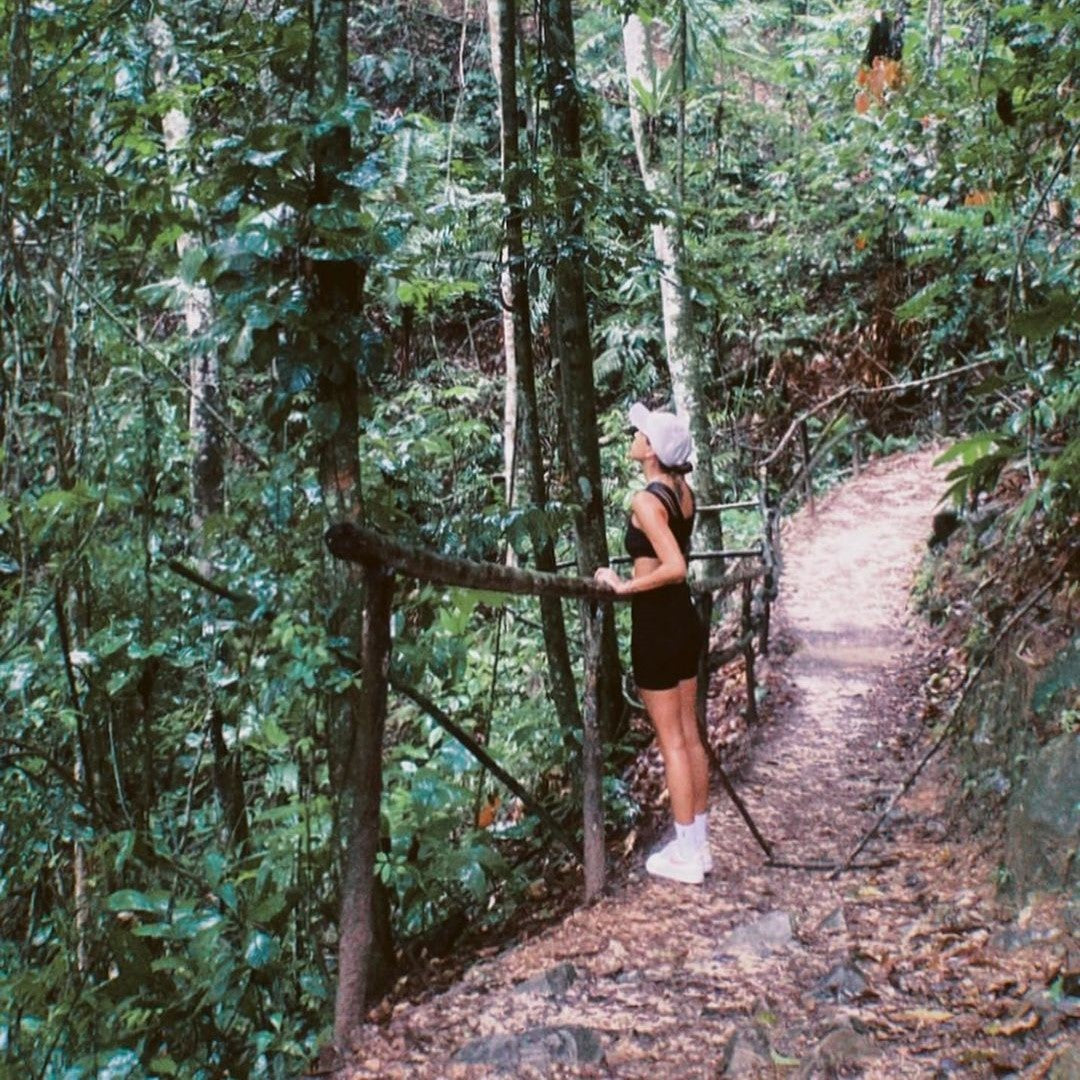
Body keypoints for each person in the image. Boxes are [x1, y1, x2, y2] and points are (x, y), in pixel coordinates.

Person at [595, 402, 711, 885]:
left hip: (658, 625)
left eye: (640, 432)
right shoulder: (683, 493)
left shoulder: (646, 500)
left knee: (673, 742)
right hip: (682, 621)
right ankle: (697, 847)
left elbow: (674, 567)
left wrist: (623, 586)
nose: (633, 434)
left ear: (652, 450)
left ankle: (687, 855)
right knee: (688, 733)